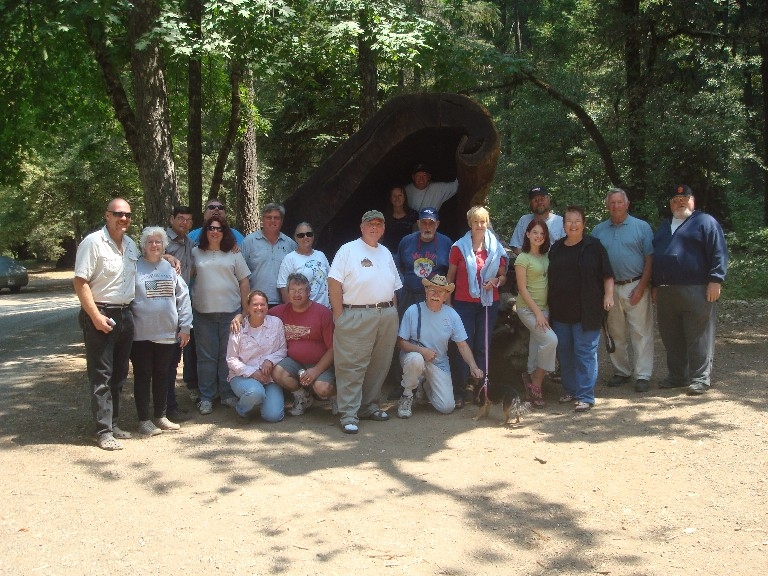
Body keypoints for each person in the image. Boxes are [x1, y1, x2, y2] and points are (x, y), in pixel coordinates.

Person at [74, 198, 140, 451]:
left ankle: (113, 424)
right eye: (118, 214)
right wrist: (94, 316)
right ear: (107, 215)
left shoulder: (131, 245)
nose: (123, 218)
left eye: (127, 215)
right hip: (101, 313)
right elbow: (80, 282)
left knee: (120, 373)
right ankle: (103, 431)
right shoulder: (93, 242)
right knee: (101, 374)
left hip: (125, 314)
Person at [328, 210, 402, 434]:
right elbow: (334, 282)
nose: (374, 228)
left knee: (379, 364)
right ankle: (348, 413)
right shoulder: (348, 250)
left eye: (379, 224)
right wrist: (340, 316)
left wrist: (393, 312)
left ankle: (368, 406)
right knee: (351, 365)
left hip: (386, 315)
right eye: (370, 224)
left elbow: (394, 286)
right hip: (356, 315)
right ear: (361, 227)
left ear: (383, 229)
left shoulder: (386, 252)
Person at [652, 184, 728, 395]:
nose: (680, 202)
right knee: (671, 336)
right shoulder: (664, 226)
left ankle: (701, 378)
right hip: (666, 291)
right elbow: (655, 257)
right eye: (676, 200)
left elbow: (718, 251)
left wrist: (715, 280)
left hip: (697, 289)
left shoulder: (704, 222)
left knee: (698, 335)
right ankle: (677, 375)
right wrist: (655, 285)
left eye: (685, 198)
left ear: (693, 201)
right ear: (670, 204)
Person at [548, 205, 614, 412]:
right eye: (569, 221)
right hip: (560, 311)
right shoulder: (556, 248)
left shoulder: (594, 246)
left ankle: (585, 395)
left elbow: (608, 275)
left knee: (584, 352)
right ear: (563, 224)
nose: (573, 225)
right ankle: (570, 390)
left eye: (577, 221)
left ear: (584, 224)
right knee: (565, 352)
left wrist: (609, 296)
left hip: (588, 310)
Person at [130, 227, 192, 436]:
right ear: (143, 245)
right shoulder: (134, 267)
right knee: (143, 375)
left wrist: (185, 327)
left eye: (158, 242)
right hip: (141, 335)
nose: (154, 245)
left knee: (162, 375)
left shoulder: (169, 268)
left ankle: (160, 415)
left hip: (167, 334)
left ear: (163, 245)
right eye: (150, 242)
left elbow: (183, 299)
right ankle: (144, 420)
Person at [592, 188, 655, 393]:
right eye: (612, 203)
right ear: (607, 206)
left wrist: (642, 287)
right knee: (615, 332)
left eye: (620, 202)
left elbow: (650, 259)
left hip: (635, 285)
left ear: (627, 204)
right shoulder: (599, 230)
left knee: (641, 331)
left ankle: (643, 374)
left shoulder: (641, 227)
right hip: (609, 289)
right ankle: (621, 371)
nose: (616, 206)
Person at [395, 274, 484, 418]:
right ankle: (407, 395)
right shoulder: (413, 310)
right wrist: (421, 351)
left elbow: (462, 345)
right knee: (416, 360)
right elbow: (401, 342)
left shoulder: (452, 315)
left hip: (439, 363)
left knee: (447, 407)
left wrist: (473, 366)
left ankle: (424, 386)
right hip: (414, 357)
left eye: (440, 291)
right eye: (432, 290)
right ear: (426, 291)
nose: (435, 294)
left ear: (446, 295)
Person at [446, 206, 508, 408]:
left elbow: (503, 276)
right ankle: (460, 390)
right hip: (463, 302)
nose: (480, 226)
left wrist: (496, 281)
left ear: (487, 223)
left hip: (488, 302)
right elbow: (451, 277)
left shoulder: (495, 247)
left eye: (483, 222)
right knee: (463, 346)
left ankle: (481, 390)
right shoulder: (459, 247)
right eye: (476, 222)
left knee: (483, 346)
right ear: (470, 224)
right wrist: (447, 302)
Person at [191, 214, 251, 415]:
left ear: (224, 232)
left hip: (230, 313)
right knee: (206, 358)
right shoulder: (195, 253)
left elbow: (244, 282)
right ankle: (207, 396)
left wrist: (244, 311)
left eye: (219, 229)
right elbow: (184, 276)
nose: (214, 232)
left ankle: (226, 394)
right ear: (205, 231)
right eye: (211, 228)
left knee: (228, 356)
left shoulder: (234, 254)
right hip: (203, 313)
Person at [270, 273, 336, 416]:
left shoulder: (323, 313)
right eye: (292, 290)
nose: (296, 294)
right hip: (294, 361)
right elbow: (258, 314)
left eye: (301, 290)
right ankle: (303, 397)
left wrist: (316, 371)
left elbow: (333, 348)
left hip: (320, 362)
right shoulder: (279, 312)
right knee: (277, 372)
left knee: (323, 388)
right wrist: (240, 317)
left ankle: (336, 397)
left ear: (309, 292)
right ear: (287, 293)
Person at [514, 219, 558, 407]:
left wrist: (545, 311)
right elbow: (522, 289)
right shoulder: (522, 258)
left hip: (545, 308)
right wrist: (538, 314)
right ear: (527, 234)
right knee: (550, 340)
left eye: (542, 233)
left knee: (536, 345)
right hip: (527, 309)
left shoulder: (547, 256)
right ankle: (537, 382)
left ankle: (530, 378)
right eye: (535, 232)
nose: (539, 236)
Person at [226, 290, 287, 421]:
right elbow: (231, 359)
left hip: (269, 378)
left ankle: (263, 402)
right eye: (255, 304)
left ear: (267, 306)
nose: (259, 308)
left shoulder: (276, 323)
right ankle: (242, 410)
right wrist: (253, 372)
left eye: (262, 304)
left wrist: (270, 360)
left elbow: (283, 350)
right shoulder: (239, 326)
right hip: (243, 376)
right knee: (255, 392)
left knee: (273, 416)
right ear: (247, 307)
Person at [164, 205, 196, 419]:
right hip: (164, 307)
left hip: (181, 306)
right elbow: (146, 258)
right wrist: (164, 255)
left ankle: (169, 404)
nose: (184, 223)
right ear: (172, 219)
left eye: (188, 220)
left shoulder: (189, 242)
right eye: (180, 219)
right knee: (165, 359)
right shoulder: (162, 240)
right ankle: (166, 407)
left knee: (174, 358)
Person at [395, 207, 453, 318]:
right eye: (424, 223)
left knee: (431, 331)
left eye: (431, 223)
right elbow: (400, 267)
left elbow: (450, 273)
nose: (427, 227)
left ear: (437, 224)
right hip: (409, 295)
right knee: (405, 331)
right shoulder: (406, 241)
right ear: (418, 223)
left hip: (435, 296)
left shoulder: (447, 243)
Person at [241, 203, 297, 306]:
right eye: (268, 217)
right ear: (262, 219)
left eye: (276, 218)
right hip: (256, 304)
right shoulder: (249, 242)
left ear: (282, 221)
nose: (272, 221)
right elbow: (240, 275)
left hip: (284, 303)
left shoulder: (290, 244)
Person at [276, 222, 331, 308]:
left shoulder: (321, 255)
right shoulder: (289, 259)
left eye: (309, 234)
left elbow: (330, 280)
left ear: (313, 236)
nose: (305, 237)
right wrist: (294, 310)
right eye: (301, 235)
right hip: (303, 310)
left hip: (324, 309)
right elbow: (283, 287)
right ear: (295, 238)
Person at [509, 186, 565, 256]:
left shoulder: (561, 221)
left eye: (542, 199)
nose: (539, 202)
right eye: (535, 200)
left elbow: (566, 249)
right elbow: (516, 247)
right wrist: (532, 261)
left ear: (549, 199)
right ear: (530, 203)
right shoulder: (524, 220)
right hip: (529, 264)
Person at [381, 185, 418, 253]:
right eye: (394, 196)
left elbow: (416, 237)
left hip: (407, 254)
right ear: (390, 198)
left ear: (404, 198)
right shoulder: (384, 216)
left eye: (400, 195)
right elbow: (380, 238)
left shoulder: (413, 215)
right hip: (388, 255)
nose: (397, 198)